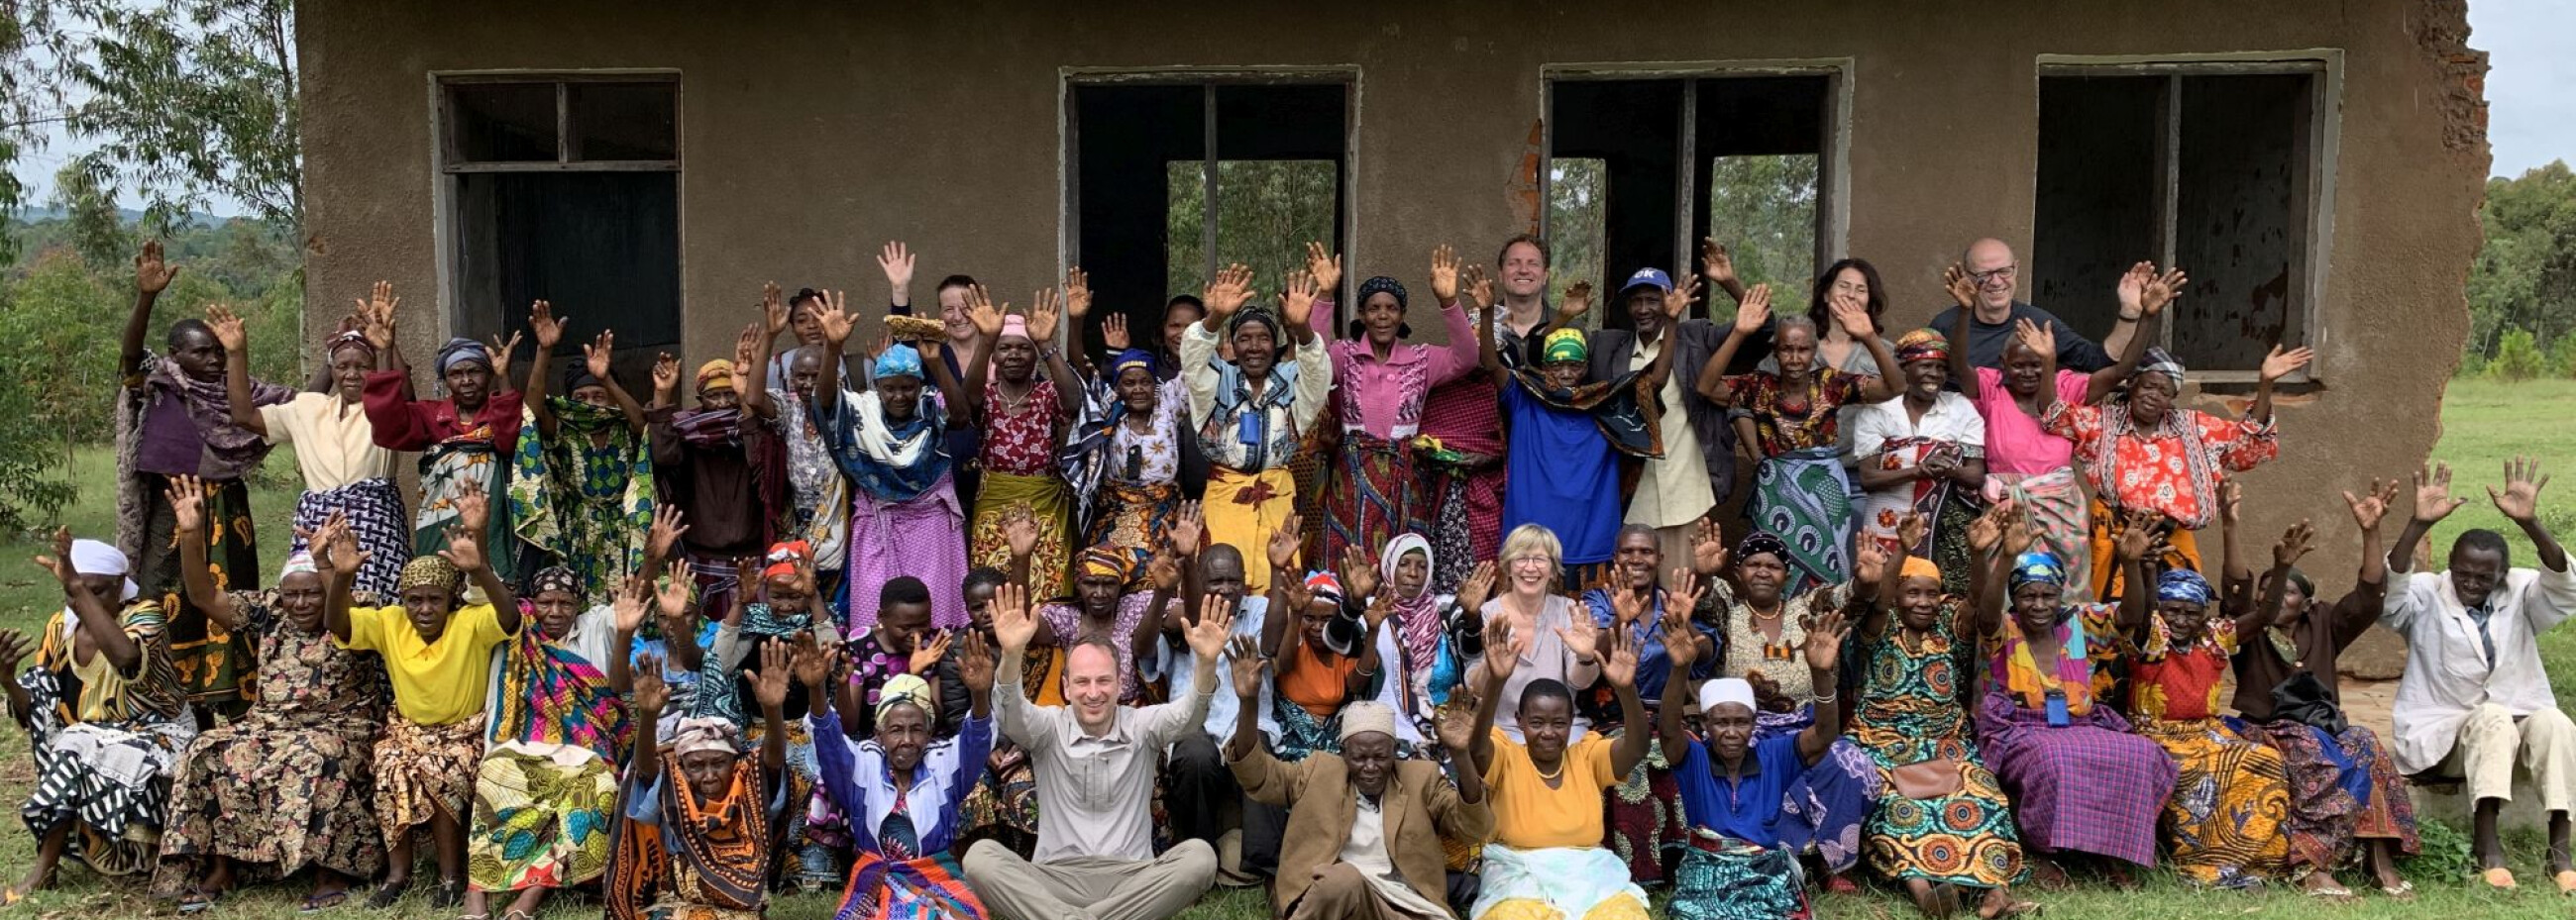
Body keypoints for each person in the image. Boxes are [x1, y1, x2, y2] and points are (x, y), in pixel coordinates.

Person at [153, 485, 387, 912]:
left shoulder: (361, 609)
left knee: (317, 755)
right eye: (293, 593)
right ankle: (224, 866)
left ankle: (332, 870)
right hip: (270, 725)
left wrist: (328, 566)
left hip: (341, 728)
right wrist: (190, 534)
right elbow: (204, 597)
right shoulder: (270, 609)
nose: (301, 602)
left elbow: (345, 621)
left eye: (312, 592)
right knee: (207, 748)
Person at [960, 584, 1232, 920]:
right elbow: (1010, 713)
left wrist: (1206, 662)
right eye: (1082, 682)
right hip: (1056, 878)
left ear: (1119, 683)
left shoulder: (1142, 726)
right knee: (980, 858)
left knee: (1200, 858)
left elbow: (1191, 714)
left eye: (1103, 681)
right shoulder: (1049, 727)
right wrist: (1012, 654)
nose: (1093, 693)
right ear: (1066, 687)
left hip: (1131, 879)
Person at [117, 242, 294, 722]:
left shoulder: (241, 393)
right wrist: (146, 297)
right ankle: (177, 711)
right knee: (165, 597)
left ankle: (237, 710)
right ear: (176, 355)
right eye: (202, 352)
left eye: (219, 351)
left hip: (228, 513)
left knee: (233, 602)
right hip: (172, 511)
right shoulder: (162, 383)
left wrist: (331, 356)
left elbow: (299, 408)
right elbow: (130, 356)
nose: (215, 360)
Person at [324, 481, 522, 909]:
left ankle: (451, 876)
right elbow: (340, 625)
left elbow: (509, 617)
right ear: (404, 601)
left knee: (439, 771)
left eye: (435, 600)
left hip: (462, 734)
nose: (425, 609)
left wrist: (480, 571)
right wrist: (342, 577)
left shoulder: (470, 623)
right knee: (389, 764)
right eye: (415, 600)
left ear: (451, 600)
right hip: (407, 731)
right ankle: (398, 874)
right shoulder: (391, 622)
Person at [2381, 459, 2576, 890]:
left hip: (2514, 737)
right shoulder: (2427, 594)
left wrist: (2529, 523)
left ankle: (2559, 852)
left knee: (2554, 721)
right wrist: (2417, 524)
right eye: (2462, 573)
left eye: (2484, 577)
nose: (2470, 583)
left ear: (2502, 575)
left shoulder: (2521, 591)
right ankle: (2487, 847)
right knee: (2492, 717)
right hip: (2445, 737)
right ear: (2449, 565)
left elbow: (2565, 586)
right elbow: (2387, 594)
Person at [2231, 481, 2418, 897]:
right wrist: (2236, 530)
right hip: (2267, 729)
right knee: (2312, 750)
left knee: (2366, 744)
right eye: (2268, 591)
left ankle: (2379, 859)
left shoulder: (2323, 624)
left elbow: (2369, 597)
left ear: (2307, 603)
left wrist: (2371, 531)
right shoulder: (2249, 630)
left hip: (2323, 729)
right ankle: (2310, 865)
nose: (2273, 597)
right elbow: (2237, 588)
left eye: (2287, 591)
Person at [1950, 263, 2172, 604]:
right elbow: (1957, 366)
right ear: (2002, 364)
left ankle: (2067, 640)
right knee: (2003, 596)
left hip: (2060, 510)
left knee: (2065, 596)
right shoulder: (1991, 388)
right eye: (2019, 365)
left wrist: (2148, 316)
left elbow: (2122, 371)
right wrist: (1965, 312)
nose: (2029, 372)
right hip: (2005, 509)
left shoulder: (2067, 387)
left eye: (2038, 364)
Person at [1846, 516, 2028, 919]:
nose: (1924, 602)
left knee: (1981, 796)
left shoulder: (1947, 625)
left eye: (1932, 593)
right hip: (1883, 743)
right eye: (1913, 592)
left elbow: (1977, 601)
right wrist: (1902, 549)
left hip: (1946, 743)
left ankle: (1995, 896)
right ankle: (1926, 895)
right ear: (1898, 595)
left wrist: (1981, 553)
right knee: (1898, 806)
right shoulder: (1882, 625)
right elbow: (1879, 600)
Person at [1973, 523, 2174, 886]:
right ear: (2015, 598)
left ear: (2060, 595)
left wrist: (2130, 564)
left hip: (2080, 724)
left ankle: (2110, 851)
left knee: (2141, 753)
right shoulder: (2004, 628)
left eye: (2048, 596)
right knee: (2053, 759)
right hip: (2017, 729)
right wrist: (2006, 557)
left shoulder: (2078, 622)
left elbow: (2129, 616)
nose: (2039, 605)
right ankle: (2042, 851)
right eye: (2028, 596)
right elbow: (1985, 615)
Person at [3, 532, 191, 901]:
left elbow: (126, 658)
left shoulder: (145, 616)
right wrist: (8, 681)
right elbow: (40, 708)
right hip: (92, 739)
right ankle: (51, 864)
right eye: (73, 592)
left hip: (160, 732)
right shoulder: (61, 628)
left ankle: (46, 869)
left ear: (120, 585)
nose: (81, 602)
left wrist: (76, 586)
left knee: (77, 743)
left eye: (95, 591)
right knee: (70, 731)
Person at [1229, 660, 1494, 920]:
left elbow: (1473, 827)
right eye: (1359, 758)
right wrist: (1248, 703)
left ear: (1395, 752)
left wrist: (1460, 754)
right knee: (1342, 879)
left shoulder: (1421, 778)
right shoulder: (1317, 772)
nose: (1370, 767)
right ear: (1343, 753)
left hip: (1403, 904)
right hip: (1341, 902)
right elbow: (1257, 776)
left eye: (1380, 757)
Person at [2045, 342, 2308, 601]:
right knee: (2120, 613)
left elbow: (2248, 444)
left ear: (2172, 398)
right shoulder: (2102, 423)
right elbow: (2054, 415)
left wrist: (2266, 384)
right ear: (2132, 384)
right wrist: (2047, 362)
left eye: (2164, 391)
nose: (2153, 395)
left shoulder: (2194, 427)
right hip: (2119, 537)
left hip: (2173, 539)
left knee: (2180, 609)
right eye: (2148, 386)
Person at [463, 564, 641, 920]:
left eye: (566, 603)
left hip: (587, 752)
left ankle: (531, 895)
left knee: (600, 790)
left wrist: (652, 558)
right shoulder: (517, 630)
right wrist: (479, 561)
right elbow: (496, 599)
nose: (555, 611)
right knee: (492, 781)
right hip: (523, 748)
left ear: (579, 606)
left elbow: (635, 603)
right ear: (532, 602)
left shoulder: (596, 626)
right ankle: (476, 892)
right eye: (546, 602)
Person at [1655, 602, 1851, 920]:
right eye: (1721, 723)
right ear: (1705, 725)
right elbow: (1667, 731)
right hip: (1706, 873)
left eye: (1741, 722)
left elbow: (1824, 735)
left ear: (1754, 724)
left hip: (1764, 872)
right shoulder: (1694, 760)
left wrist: (1820, 674)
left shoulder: (1774, 756)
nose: (1732, 732)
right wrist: (1680, 669)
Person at [1701, 284, 1898, 594]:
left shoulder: (1830, 383)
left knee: (1827, 570)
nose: (1794, 358)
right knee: (1770, 565)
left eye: (1803, 350)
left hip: (1825, 491)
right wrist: (1739, 332)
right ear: (1775, 351)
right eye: (1786, 350)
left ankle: (1821, 619)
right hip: (1775, 493)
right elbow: (1706, 387)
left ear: (1814, 350)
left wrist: (1869, 337)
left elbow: (1894, 387)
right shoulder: (1759, 386)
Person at [1477, 276, 1674, 582]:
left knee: (1591, 615)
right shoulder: (1525, 399)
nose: (1566, 372)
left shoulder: (1605, 404)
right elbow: (1491, 364)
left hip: (1592, 548)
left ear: (1586, 367)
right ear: (1544, 367)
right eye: (1557, 365)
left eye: (1575, 364)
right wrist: (1488, 312)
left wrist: (1672, 322)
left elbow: (1655, 381)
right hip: (1528, 547)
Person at [215, 288, 407, 599]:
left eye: (362, 366)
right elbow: (244, 416)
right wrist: (236, 355)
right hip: (320, 525)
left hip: (376, 524)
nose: (352, 374)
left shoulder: (383, 409)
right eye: (342, 366)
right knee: (315, 602)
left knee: (379, 606)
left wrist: (386, 347)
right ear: (331, 370)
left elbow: (403, 397)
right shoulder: (308, 408)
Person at [1303, 244, 1481, 565]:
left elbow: (1467, 358)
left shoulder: (1421, 360)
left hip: (1405, 478)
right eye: (1373, 308)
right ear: (1361, 315)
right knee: (1349, 562)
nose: (1382, 315)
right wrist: (1325, 296)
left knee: (1403, 562)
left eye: (1391, 308)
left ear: (1402, 316)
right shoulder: (1344, 355)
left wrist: (1448, 302)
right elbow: (1313, 358)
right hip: (1353, 477)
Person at [803, 625, 997, 920]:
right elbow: (828, 741)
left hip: (936, 875)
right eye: (895, 730)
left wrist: (980, 694)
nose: (907, 740)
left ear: (929, 733)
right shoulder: (862, 765)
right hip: (874, 879)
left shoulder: (944, 765)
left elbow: (977, 740)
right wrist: (816, 690)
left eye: (916, 729)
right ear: (879, 734)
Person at [1465, 619, 1655, 920]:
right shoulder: (1506, 755)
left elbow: (1637, 748)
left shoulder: (1587, 755)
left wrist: (1626, 691)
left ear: (1570, 723)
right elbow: (1477, 749)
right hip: (1519, 875)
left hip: (1588, 873)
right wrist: (1497, 683)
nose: (1548, 733)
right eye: (1536, 723)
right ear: (1519, 721)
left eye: (1559, 723)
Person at [808, 293, 976, 630]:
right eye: (890, 389)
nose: (899, 396)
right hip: (877, 525)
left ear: (919, 386)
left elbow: (960, 415)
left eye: (907, 387)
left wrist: (935, 363)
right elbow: (825, 402)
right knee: (875, 613)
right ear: (877, 387)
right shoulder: (861, 411)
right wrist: (833, 348)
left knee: (935, 613)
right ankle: (876, 663)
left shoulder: (930, 405)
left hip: (931, 526)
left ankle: (937, 661)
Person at [2125, 562, 2293, 889]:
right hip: (2157, 733)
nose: (2180, 620)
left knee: (2266, 760)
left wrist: (2283, 567)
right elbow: (2144, 614)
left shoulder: (2214, 638)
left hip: (2207, 731)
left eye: (2191, 613)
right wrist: (2147, 573)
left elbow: (2263, 617)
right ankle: (2203, 866)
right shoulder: (2152, 635)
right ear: (2160, 610)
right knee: (2198, 772)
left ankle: (2257, 863)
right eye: (2172, 611)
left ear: (2203, 615)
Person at [1579, 256, 1747, 569]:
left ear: (1671, 300)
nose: (1643, 309)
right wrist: (1565, 316)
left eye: (1653, 300)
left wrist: (1730, 283)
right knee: (1631, 589)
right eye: (1636, 301)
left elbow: (1761, 329)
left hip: (1687, 493)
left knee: (1682, 588)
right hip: (1630, 496)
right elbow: (1552, 359)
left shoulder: (1697, 337)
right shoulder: (1607, 347)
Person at [606, 643, 796, 920]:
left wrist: (772, 710)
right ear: (683, 767)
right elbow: (646, 768)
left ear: (734, 762)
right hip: (682, 905)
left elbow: (773, 759)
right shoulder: (675, 783)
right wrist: (648, 716)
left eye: (718, 763)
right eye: (696, 766)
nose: (708, 775)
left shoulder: (746, 781)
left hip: (740, 909)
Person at [1182, 264, 1333, 593]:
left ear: (1274, 343)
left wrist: (1302, 326)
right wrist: (1215, 318)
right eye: (1245, 338)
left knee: (1275, 587)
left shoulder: (1290, 383)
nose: (1254, 347)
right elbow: (1192, 355)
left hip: (1276, 500)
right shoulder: (1215, 381)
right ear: (1232, 344)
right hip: (1224, 502)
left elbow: (1318, 374)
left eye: (1264, 338)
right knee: (1221, 586)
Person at [1579, 526, 1717, 884]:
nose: (1636, 559)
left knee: (1687, 754)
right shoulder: (1598, 601)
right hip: (1610, 719)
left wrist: (1685, 627)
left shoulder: (1673, 602)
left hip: (1666, 718)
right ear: (1615, 557)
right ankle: (1635, 868)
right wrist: (1619, 621)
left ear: (1660, 558)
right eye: (1628, 551)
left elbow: (1706, 654)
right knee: (1633, 762)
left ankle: (1685, 858)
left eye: (1645, 552)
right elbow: (1589, 658)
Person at [361, 289, 526, 586]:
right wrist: (383, 354)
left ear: (488, 375)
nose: (466, 380)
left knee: (492, 593)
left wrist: (505, 379)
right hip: (437, 524)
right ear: (445, 380)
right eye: (456, 374)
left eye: (475, 372)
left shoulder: (501, 410)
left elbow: (508, 441)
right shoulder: (431, 415)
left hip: (492, 526)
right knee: (438, 591)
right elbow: (388, 428)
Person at [509, 304, 656, 601]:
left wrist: (606, 379)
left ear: (611, 399)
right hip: (578, 533)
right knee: (579, 607)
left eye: (598, 396)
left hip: (625, 531)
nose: (590, 403)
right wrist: (544, 351)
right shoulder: (564, 429)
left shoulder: (623, 426)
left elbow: (643, 425)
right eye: (581, 397)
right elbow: (532, 412)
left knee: (627, 606)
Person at [1150, 535, 1274, 866]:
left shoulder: (1258, 609)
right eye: (1216, 581)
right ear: (1199, 580)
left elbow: (1273, 645)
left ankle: (1261, 864)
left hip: (1248, 719)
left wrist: (1277, 571)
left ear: (1245, 581)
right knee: (1194, 756)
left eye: (1234, 580)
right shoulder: (1180, 617)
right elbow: (1148, 657)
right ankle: (1197, 859)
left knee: (1259, 752)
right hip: (1196, 723)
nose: (1226, 589)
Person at [1065, 271, 1193, 589]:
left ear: (1155, 384)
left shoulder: (1169, 404)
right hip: (1115, 515)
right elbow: (1078, 369)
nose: (1138, 389)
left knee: (1159, 583)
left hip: (1162, 515)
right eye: (1130, 383)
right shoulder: (1111, 407)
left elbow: (1195, 367)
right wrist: (1076, 321)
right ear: (1118, 387)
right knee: (1108, 581)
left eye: (1145, 382)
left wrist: (1213, 322)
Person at [652, 320, 784, 626]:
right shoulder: (687, 432)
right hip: (702, 558)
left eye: (729, 395)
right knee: (703, 635)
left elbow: (760, 459)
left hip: (751, 555)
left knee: (753, 635)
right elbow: (663, 456)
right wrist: (662, 396)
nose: (723, 403)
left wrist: (745, 397)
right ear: (700, 401)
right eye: (714, 396)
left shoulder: (756, 429)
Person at [965, 285, 1088, 600]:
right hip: (995, 504)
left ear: (1034, 356)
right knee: (995, 589)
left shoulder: (1047, 393)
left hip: (1046, 503)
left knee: (1049, 584)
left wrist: (1046, 343)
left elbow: (1073, 402)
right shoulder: (987, 395)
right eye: (1004, 348)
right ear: (994, 356)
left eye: (1023, 348)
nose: (1014, 355)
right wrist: (986, 339)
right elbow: (967, 401)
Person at [1853, 328, 1986, 595]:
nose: (1935, 374)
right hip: (1887, 526)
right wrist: (1919, 470)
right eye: (1926, 366)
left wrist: (1950, 470)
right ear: (1905, 367)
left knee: (1937, 595)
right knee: (1883, 591)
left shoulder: (1960, 408)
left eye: (1941, 368)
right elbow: (1868, 478)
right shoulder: (1879, 410)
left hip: (1943, 530)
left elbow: (1976, 476)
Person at [1470, 525, 1602, 743]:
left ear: (1553, 571)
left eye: (1540, 559)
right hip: (1501, 731)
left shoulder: (1567, 610)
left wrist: (1585, 657)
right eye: (1521, 558)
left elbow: (1579, 682)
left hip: (1560, 731)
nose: (1530, 568)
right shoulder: (1487, 614)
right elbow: (1475, 690)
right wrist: (1490, 666)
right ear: (1508, 567)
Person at [1925, 239, 2141, 371]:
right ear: (1968, 277)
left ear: (2016, 269)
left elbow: (2097, 361)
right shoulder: (1945, 325)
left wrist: (2130, 313)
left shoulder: (2038, 323)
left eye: (2004, 271)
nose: (1996, 281)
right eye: (1985, 274)